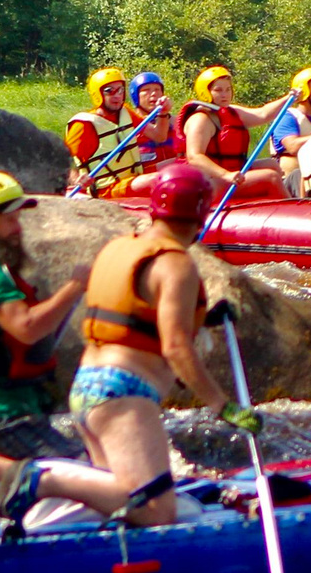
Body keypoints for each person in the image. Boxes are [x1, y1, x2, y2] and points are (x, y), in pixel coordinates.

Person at [0, 173, 136, 528]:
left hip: (16, 410)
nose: (18, 228)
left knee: (94, 468)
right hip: (5, 417)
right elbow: (25, 328)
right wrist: (74, 286)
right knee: (91, 478)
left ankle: (4, 492)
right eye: (9, 220)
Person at [70, 162, 262, 528]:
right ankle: (42, 481)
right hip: (123, 393)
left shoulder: (119, 248)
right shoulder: (176, 263)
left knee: (123, 505)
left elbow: (132, 313)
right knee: (157, 511)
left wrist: (202, 317)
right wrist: (222, 405)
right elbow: (176, 347)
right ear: (201, 213)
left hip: (86, 385)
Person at [179, 65, 289, 201]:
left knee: (271, 164)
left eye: (228, 89)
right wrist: (225, 175)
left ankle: (270, 206)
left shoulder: (231, 112)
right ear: (205, 92)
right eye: (218, 90)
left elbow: (263, 114)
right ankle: (293, 211)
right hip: (205, 182)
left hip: (230, 173)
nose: (225, 94)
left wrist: (290, 98)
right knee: (270, 177)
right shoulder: (201, 119)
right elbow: (194, 157)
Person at [65, 67, 140, 195]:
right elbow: (61, 160)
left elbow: (158, 136)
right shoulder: (83, 125)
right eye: (109, 91)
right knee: (155, 180)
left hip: (131, 178)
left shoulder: (125, 113)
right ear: (98, 94)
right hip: (104, 189)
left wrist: (163, 112)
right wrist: (76, 179)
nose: (117, 96)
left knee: (175, 167)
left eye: (120, 90)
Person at [127, 71, 187, 177]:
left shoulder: (176, 122)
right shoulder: (130, 126)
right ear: (136, 96)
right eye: (146, 90)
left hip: (178, 177)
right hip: (146, 179)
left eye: (157, 89)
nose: (154, 94)